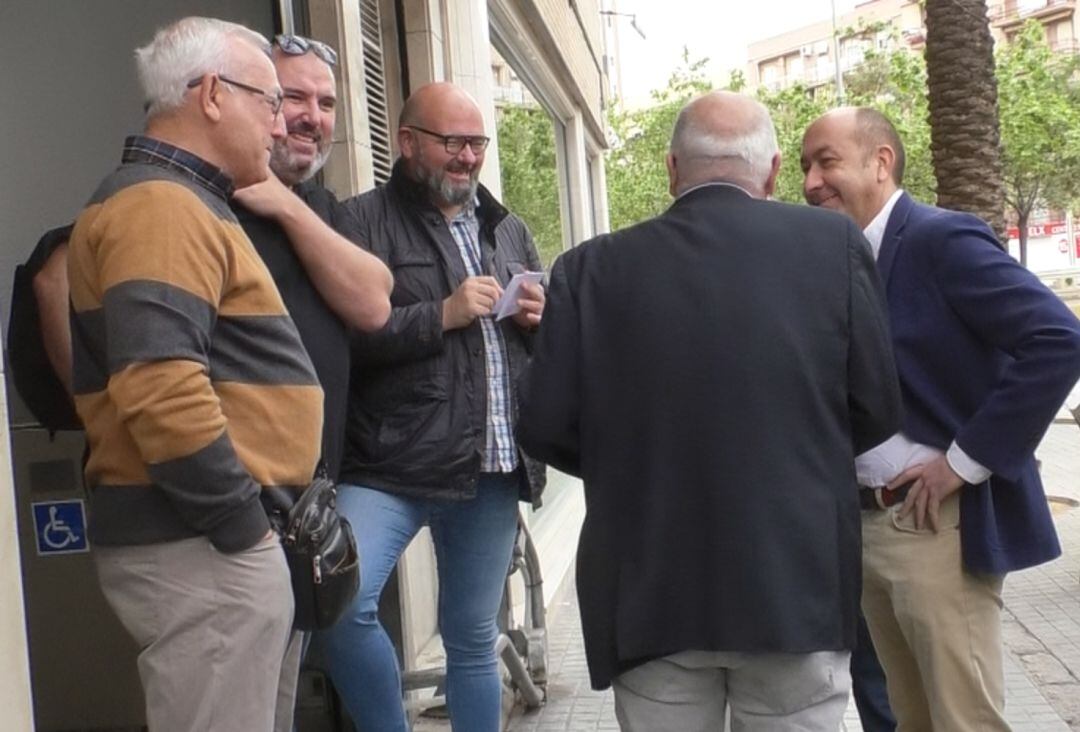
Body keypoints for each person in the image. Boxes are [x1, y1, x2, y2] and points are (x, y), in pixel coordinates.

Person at [515, 90, 901, 731]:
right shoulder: (833, 246)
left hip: (649, 595)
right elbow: (877, 407)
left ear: (672, 170)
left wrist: (635, 463)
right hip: (794, 592)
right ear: (774, 170)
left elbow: (546, 425)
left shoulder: (589, 269)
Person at [66, 17, 324, 732]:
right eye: (270, 102)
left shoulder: (178, 201)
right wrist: (245, 530)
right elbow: (159, 384)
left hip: (215, 546)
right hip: (208, 548)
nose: (280, 127)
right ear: (211, 94)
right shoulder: (160, 203)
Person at [801, 107, 1080, 731]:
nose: (811, 181)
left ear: (881, 161)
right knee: (913, 720)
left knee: (963, 721)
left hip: (936, 527)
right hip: (868, 524)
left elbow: (1059, 340)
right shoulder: (837, 261)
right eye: (804, 167)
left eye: (827, 161)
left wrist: (963, 462)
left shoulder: (939, 239)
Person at [316, 81, 547, 731]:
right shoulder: (357, 223)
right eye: (453, 142)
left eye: (476, 143)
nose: (468, 157)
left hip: (491, 464)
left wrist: (541, 319)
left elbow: (542, 344)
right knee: (340, 605)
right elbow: (341, 342)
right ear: (408, 141)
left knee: (473, 636)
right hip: (389, 460)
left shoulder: (508, 229)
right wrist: (437, 316)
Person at [232, 34, 393, 480]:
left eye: (326, 103)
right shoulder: (206, 197)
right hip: (236, 497)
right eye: (294, 98)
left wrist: (285, 205)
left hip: (315, 494)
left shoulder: (320, 206)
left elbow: (374, 303)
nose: (312, 117)